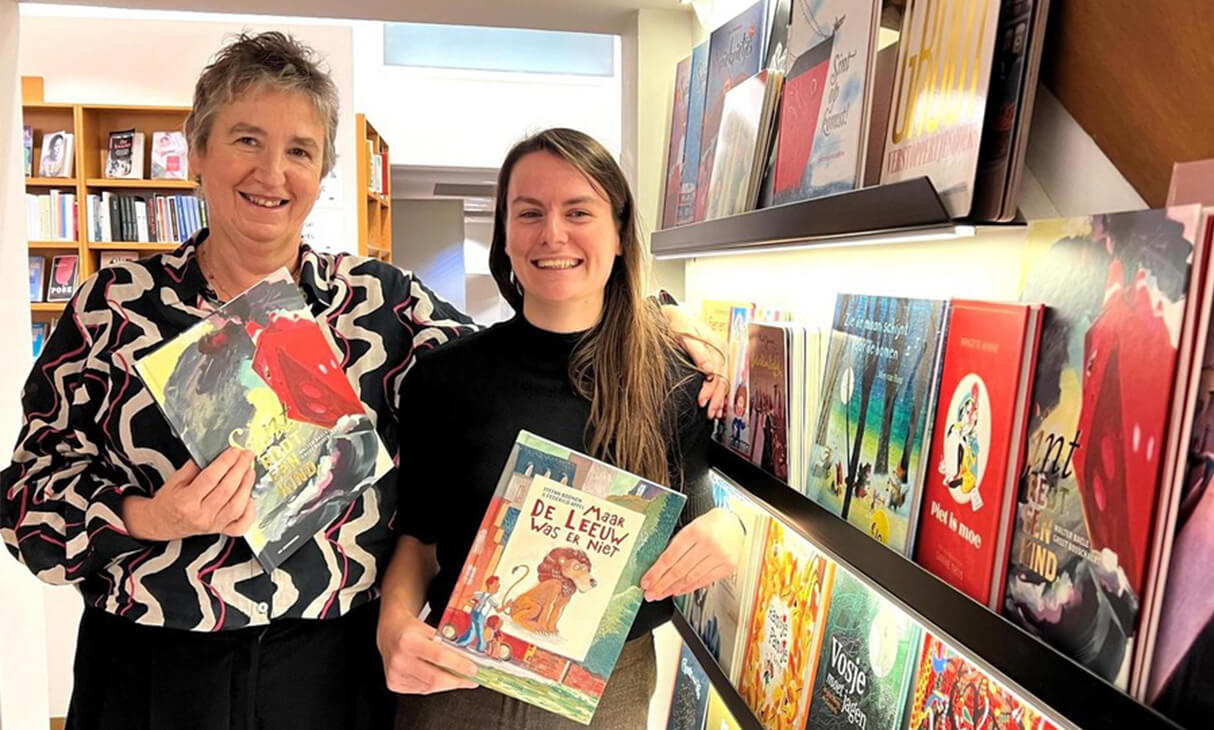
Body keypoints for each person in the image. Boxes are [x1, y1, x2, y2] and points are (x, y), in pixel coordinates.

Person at [0, 33, 723, 730]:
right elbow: (25, 504)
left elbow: (527, 358)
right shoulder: (115, 306)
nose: (272, 173)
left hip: (331, 674)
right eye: (247, 139)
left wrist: (661, 321)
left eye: (300, 151)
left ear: (322, 173)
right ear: (198, 149)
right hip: (154, 669)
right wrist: (153, 517)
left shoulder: (379, 305)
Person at [379, 128, 746, 729]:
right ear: (505, 234)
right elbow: (418, 539)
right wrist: (393, 627)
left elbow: (700, 513)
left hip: (608, 688)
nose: (553, 234)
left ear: (620, 234)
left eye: (579, 212)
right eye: (530, 213)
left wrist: (730, 530)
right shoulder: (445, 379)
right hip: (459, 675)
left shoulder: (677, 377)